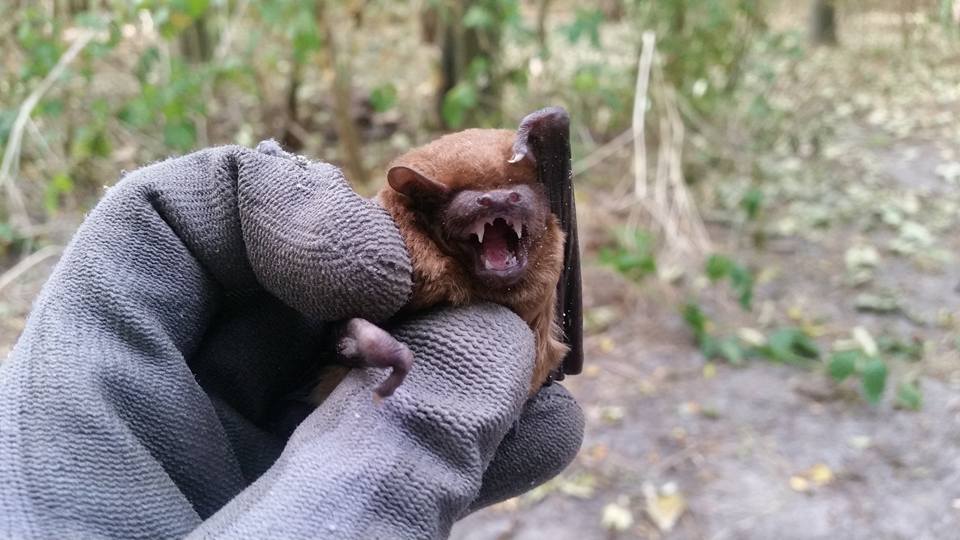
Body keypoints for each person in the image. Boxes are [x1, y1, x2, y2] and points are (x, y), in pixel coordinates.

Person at [0, 142, 584, 539]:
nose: (497, 203)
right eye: (474, 203)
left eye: (513, 196)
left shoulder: (543, 250)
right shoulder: (407, 262)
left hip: (513, 367)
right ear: (431, 214)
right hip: (331, 397)